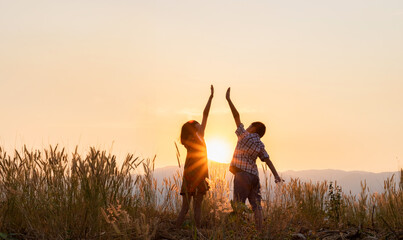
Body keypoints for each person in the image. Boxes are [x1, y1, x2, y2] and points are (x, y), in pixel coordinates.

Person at [225, 87, 282, 231]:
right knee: (256, 205)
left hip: (242, 174)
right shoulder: (260, 143)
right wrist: (276, 175)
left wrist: (229, 100)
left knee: (238, 204)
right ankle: (259, 230)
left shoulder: (244, 135)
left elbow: (236, 116)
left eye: (250, 125)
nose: (248, 126)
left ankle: (237, 230)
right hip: (254, 176)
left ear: (255, 128)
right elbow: (267, 160)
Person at [176, 85, 214, 228]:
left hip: (188, 176)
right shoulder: (199, 136)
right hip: (199, 175)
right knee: (197, 206)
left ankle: (176, 229)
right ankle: (196, 232)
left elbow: (203, 117)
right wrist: (210, 98)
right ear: (195, 129)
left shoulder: (187, 142)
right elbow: (205, 114)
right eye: (198, 124)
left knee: (185, 208)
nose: (200, 125)